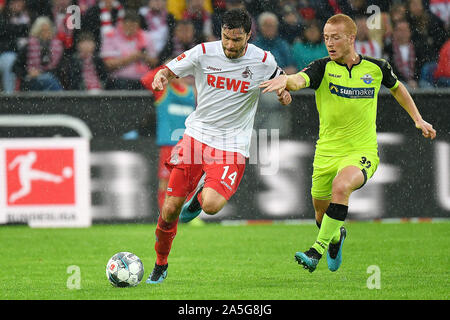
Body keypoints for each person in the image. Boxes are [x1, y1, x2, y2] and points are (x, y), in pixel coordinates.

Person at [260, 13, 436, 273]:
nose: (329, 43)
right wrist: (286, 80)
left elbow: (397, 88)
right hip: (327, 153)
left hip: (362, 151)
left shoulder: (377, 68)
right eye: (326, 38)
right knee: (322, 216)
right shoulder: (322, 67)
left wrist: (418, 119)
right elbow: (300, 80)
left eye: (335, 38)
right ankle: (335, 237)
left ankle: (315, 251)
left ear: (351, 38)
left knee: (341, 187)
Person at [145, 8, 292, 284]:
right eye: (226, 38)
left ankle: (198, 200)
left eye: (236, 40)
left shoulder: (263, 60)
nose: (229, 45)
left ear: (249, 35)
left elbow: (282, 81)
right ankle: (160, 263)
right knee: (169, 209)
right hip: (196, 137)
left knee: (212, 206)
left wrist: (284, 93)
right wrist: (162, 75)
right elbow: (169, 68)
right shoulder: (203, 51)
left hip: (232, 144)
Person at [140, 64, 196, 212]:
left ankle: (185, 215)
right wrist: (168, 67)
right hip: (169, 145)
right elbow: (146, 79)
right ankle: (164, 214)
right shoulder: (164, 91)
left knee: (189, 182)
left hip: (188, 144)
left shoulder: (192, 92)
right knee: (166, 182)